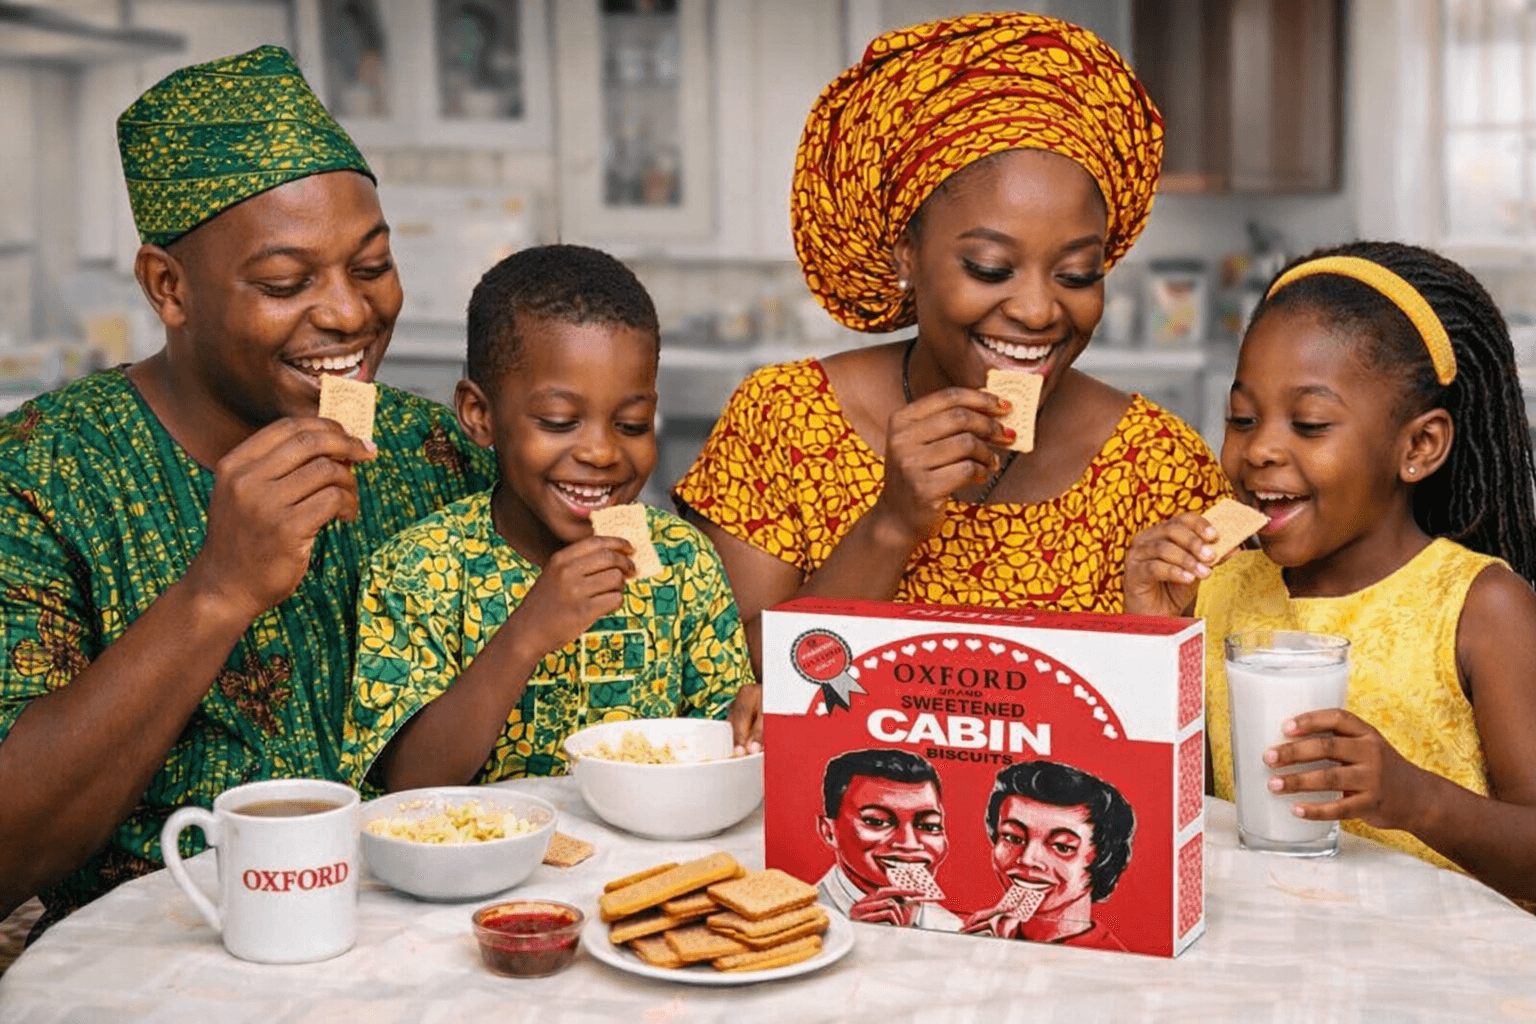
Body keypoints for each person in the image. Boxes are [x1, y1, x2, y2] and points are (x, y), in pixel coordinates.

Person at [0, 46, 495, 934]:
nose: (348, 313)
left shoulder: (431, 452)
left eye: (372, 265)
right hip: (157, 976)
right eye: (285, 282)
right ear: (169, 287)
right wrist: (217, 590)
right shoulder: (41, 475)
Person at [673, 13, 1229, 678]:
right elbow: (729, 688)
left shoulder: (1158, 467)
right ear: (906, 254)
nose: (1037, 310)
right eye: (991, 268)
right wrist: (892, 522)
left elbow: (1196, 724)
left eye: (1078, 274)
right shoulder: (784, 420)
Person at [1125, 240, 1536, 905]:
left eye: (1310, 424)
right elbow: (1156, 809)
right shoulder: (1218, 589)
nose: (1260, 449)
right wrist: (1152, 630)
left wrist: (1415, 799)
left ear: (1418, 447)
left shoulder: (1480, 608)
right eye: (1242, 418)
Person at [340, 245, 754, 792]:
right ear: (480, 416)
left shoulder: (674, 556)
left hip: (641, 867)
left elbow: (722, 737)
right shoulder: (421, 567)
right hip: (486, 867)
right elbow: (410, 784)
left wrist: (750, 722)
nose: (602, 453)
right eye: (560, 422)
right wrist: (525, 635)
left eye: (631, 425)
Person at [963, 760, 1134, 949]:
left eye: (1062, 847)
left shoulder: (1108, 959)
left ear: (1103, 859)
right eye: (1013, 837)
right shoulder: (982, 932)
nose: (1028, 859)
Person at [815, 748, 960, 931]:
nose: (909, 844)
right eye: (877, 821)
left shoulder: (954, 928)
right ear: (828, 831)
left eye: (929, 826)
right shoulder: (800, 917)